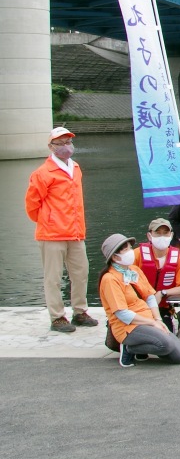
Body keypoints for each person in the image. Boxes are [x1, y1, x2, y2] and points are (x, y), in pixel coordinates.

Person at [25, 127, 98, 333]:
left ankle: (80, 312)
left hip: (75, 232)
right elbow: (32, 204)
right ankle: (57, 317)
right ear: (51, 147)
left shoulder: (75, 167)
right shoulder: (42, 173)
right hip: (52, 234)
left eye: (68, 141)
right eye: (61, 142)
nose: (66, 146)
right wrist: (47, 221)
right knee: (54, 278)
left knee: (81, 273)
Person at [98, 234, 180, 367]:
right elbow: (122, 313)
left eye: (130, 248)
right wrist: (152, 322)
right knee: (165, 344)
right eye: (125, 250)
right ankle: (129, 348)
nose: (130, 252)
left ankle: (140, 347)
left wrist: (158, 320)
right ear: (115, 257)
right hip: (128, 326)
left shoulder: (134, 270)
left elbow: (150, 296)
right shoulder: (110, 279)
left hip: (146, 317)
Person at [133, 218, 180, 334]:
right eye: (157, 233)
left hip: (162, 308)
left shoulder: (178, 257)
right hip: (139, 308)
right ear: (149, 235)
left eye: (165, 233)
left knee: (166, 341)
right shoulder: (137, 254)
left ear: (171, 235)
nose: (161, 236)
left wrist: (163, 293)